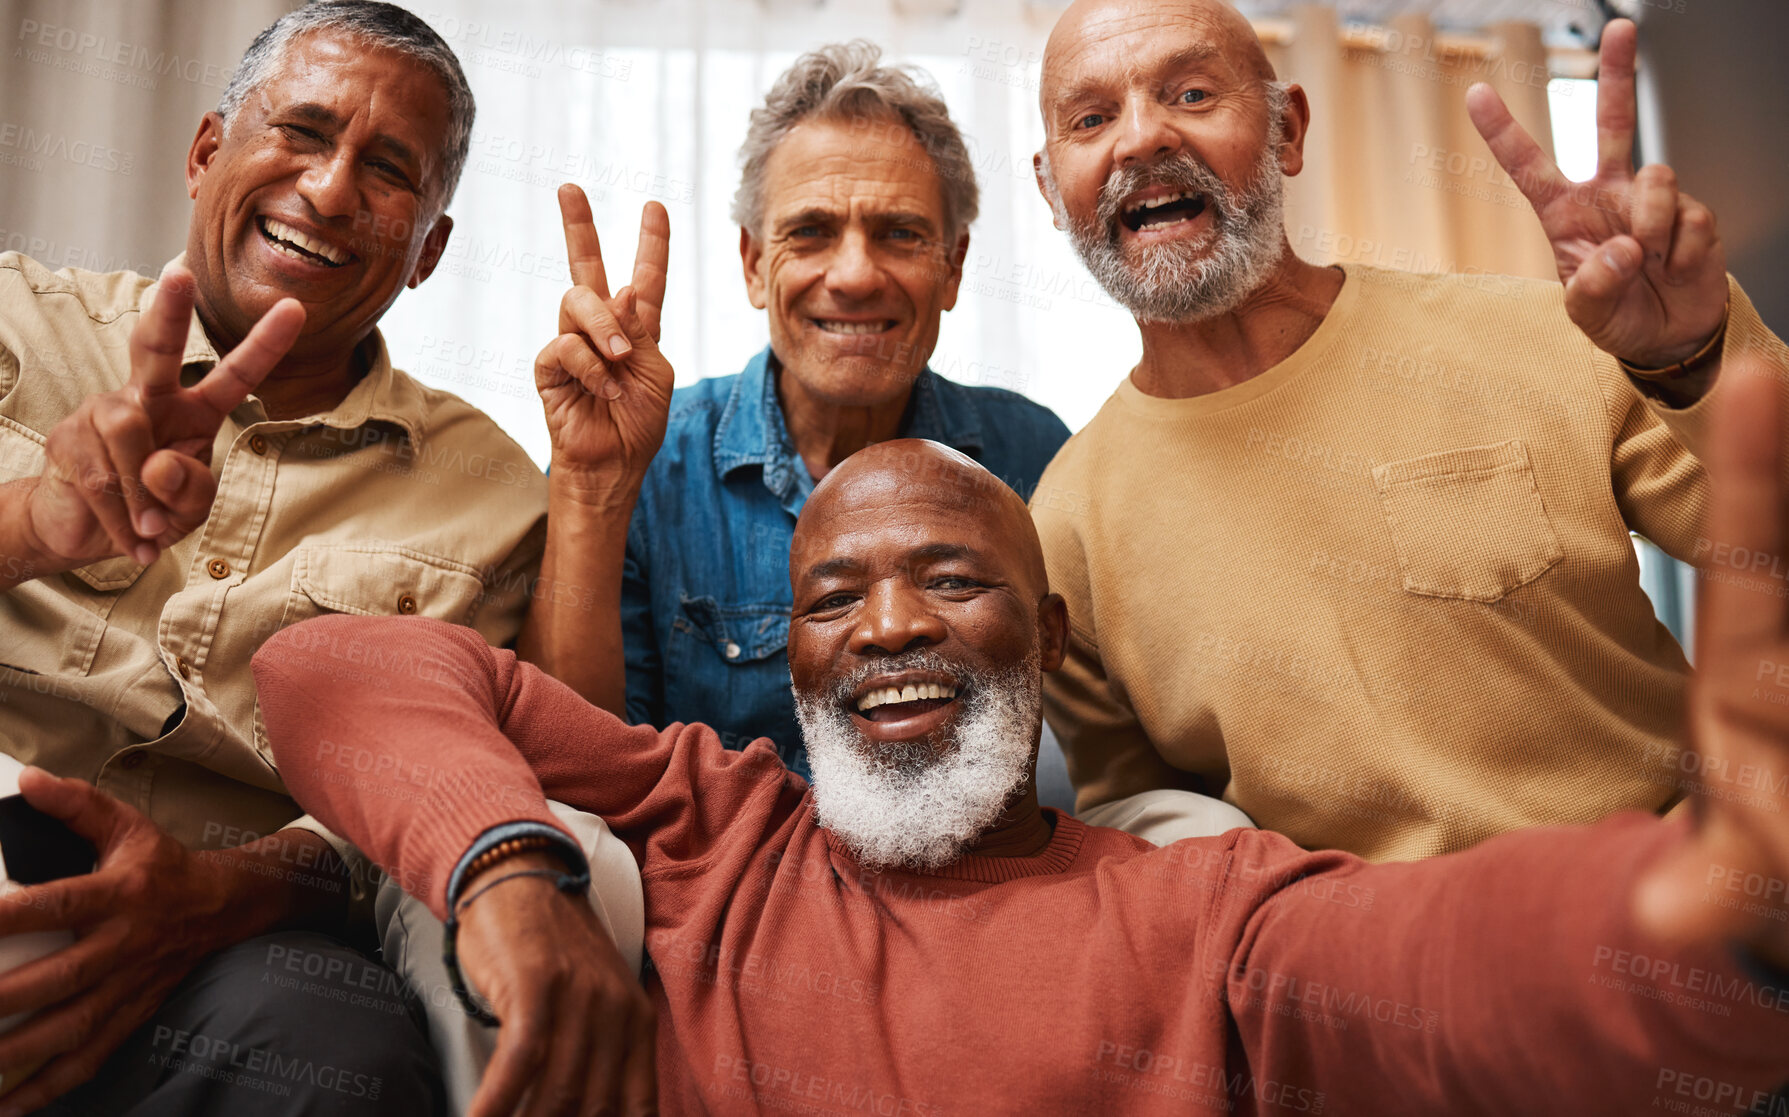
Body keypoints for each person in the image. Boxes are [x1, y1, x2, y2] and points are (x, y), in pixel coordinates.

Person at [249, 379, 1789, 1115]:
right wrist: (507, 872)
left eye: (956, 579)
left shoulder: (1195, 902)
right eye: (834, 596)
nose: (890, 626)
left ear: (1048, 641)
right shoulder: (709, 823)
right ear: (791, 660)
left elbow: (1437, 958)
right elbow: (331, 663)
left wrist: (1707, 912)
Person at [1026, 0, 1789, 858]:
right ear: (1052, 190)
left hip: (1674, 913)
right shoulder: (1063, 528)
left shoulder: (1553, 342)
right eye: (1090, 119)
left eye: (1193, 94)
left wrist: (1693, 357)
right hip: (1363, 972)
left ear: (1288, 131)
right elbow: (1148, 829)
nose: (1140, 140)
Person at [0, 3, 551, 1112]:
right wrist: (38, 520)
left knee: (337, 1046)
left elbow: (448, 791)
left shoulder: (494, 496)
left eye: (389, 168)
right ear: (207, 153)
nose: (333, 189)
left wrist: (213, 892)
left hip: (227, 938)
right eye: (301, 130)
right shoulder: (18, 323)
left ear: (429, 249)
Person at [519, 42, 1071, 780]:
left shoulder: (1029, 453)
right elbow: (575, 768)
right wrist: (593, 484)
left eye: (898, 234)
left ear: (953, 266)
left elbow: (1083, 755)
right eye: (810, 232)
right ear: (752, 264)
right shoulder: (644, 456)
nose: (851, 276)